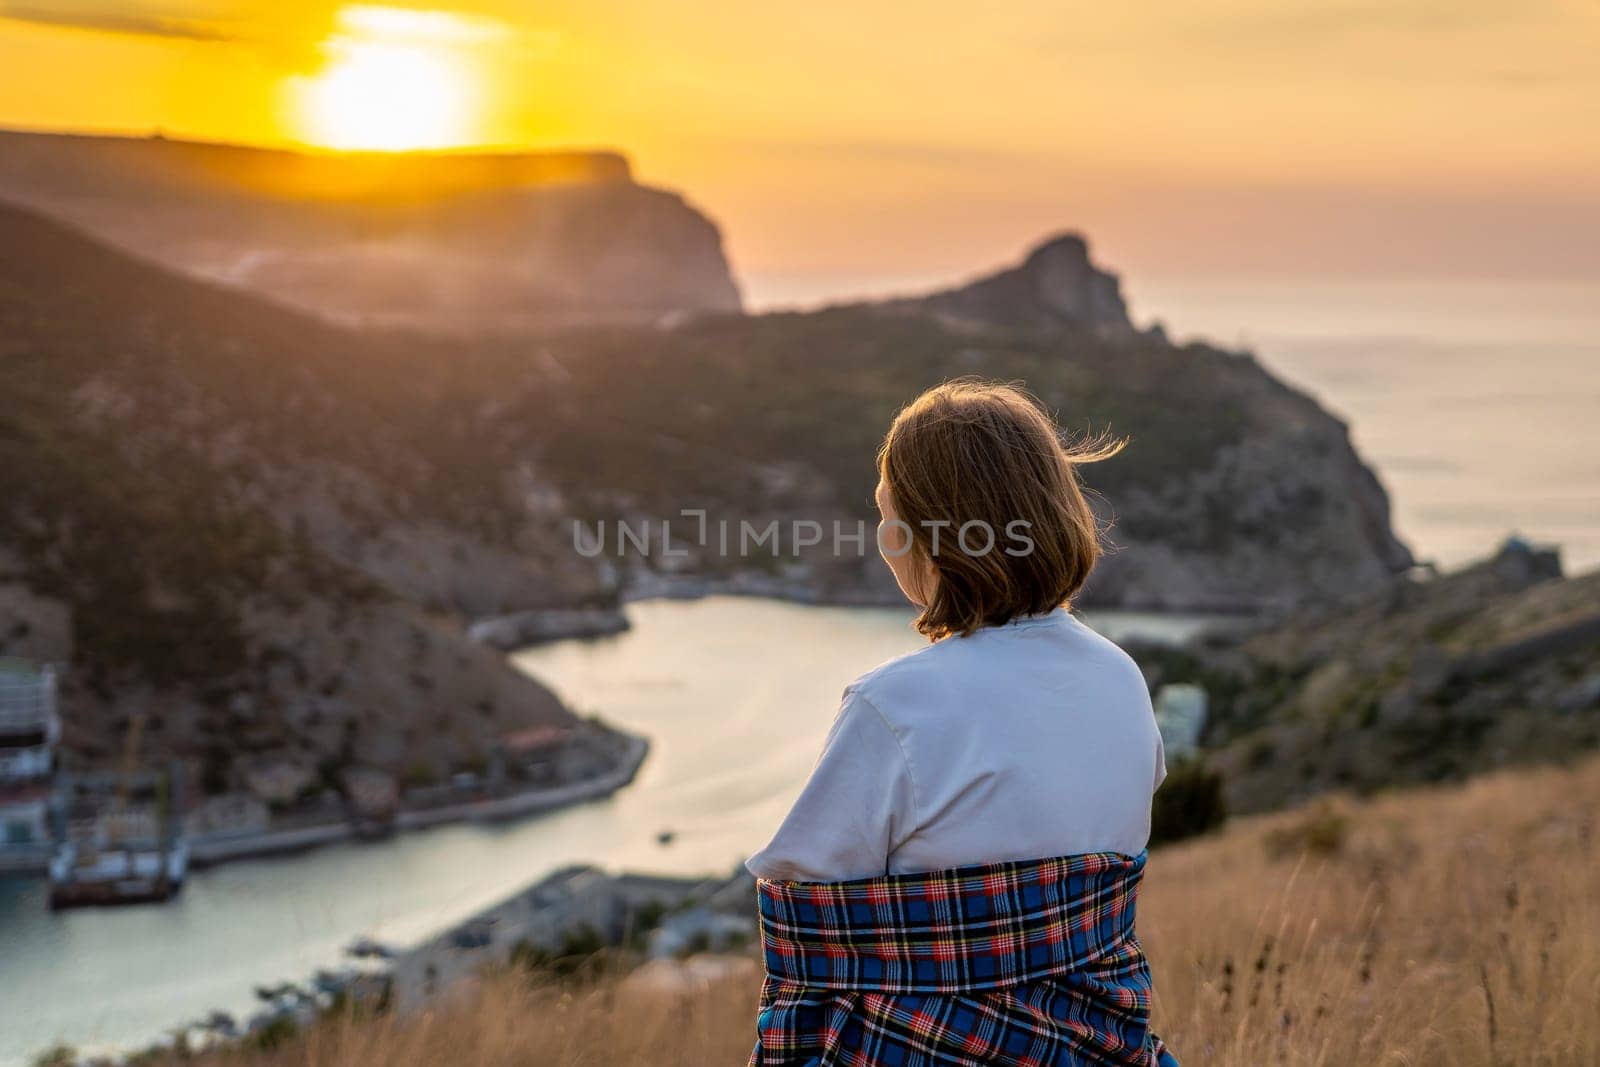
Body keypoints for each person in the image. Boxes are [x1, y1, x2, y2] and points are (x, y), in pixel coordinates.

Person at [746, 379, 1178, 1067]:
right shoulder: (1121, 677)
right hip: (1105, 1049)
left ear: (933, 538)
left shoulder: (894, 706)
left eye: (888, 514)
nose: (882, 537)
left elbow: (798, 903)